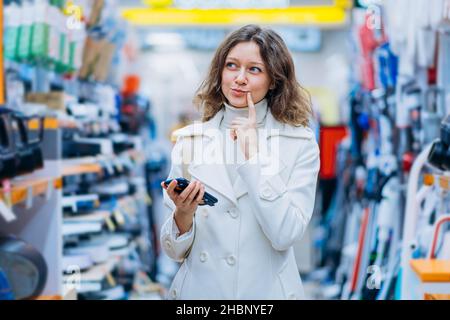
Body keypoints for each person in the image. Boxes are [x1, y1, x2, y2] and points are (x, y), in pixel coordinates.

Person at [160, 24, 320, 300]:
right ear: (220, 72)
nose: (240, 78)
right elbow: (174, 252)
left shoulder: (299, 143)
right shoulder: (190, 141)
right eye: (231, 66)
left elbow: (286, 234)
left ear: (274, 79)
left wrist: (254, 158)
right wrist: (183, 215)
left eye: (254, 69)